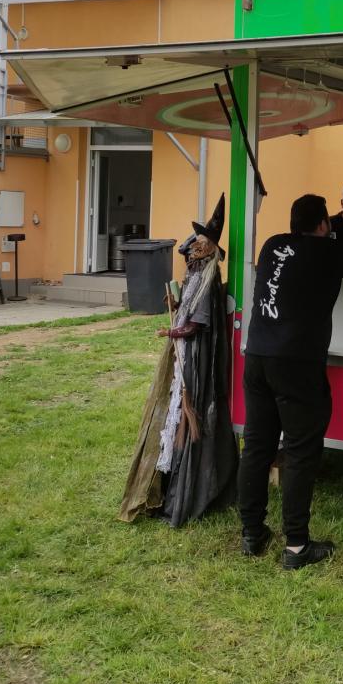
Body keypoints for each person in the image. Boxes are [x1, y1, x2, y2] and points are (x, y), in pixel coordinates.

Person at [238, 194, 343, 569]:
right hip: (297, 364)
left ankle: (252, 534)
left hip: (256, 357)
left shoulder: (271, 245)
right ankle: (296, 547)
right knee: (300, 452)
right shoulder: (328, 251)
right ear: (324, 224)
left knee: (256, 447)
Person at [119, 193, 238, 527]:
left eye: (202, 243)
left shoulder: (207, 280)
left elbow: (196, 324)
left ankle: (185, 489)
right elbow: (187, 303)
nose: (195, 247)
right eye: (196, 242)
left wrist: (170, 332)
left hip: (195, 360)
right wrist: (174, 301)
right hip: (184, 355)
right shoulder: (194, 275)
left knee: (187, 413)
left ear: (213, 250)